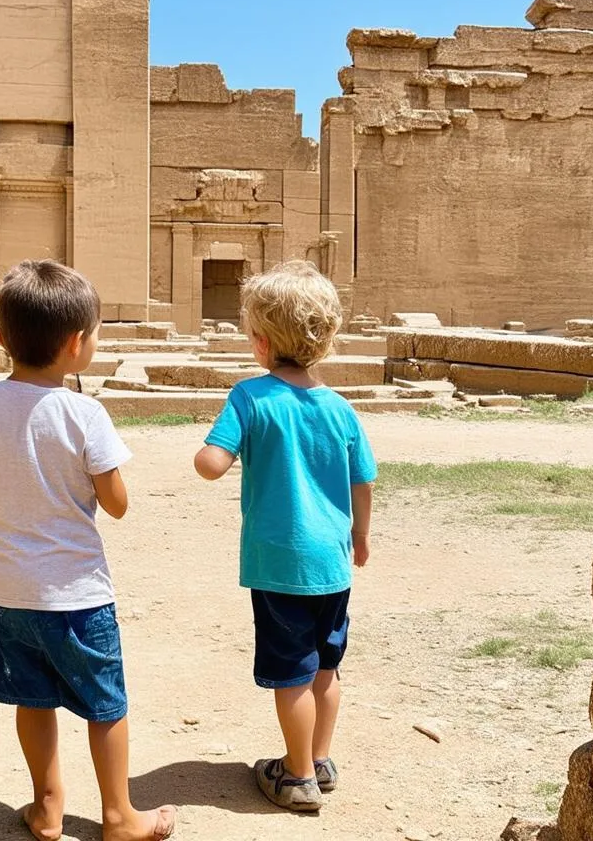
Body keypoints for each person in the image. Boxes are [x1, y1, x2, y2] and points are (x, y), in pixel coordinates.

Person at [0, 259, 176, 841]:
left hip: (8, 595)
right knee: (106, 704)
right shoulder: (85, 413)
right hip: (77, 595)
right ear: (78, 344)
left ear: (1, 338)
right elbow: (117, 502)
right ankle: (120, 815)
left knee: (34, 699)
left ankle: (46, 806)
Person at [193, 260, 376, 813]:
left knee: (290, 671)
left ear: (262, 341)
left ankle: (295, 777)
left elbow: (212, 462)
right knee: (326, 664)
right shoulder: (341, 408)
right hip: (332, 561)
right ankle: (318, 760)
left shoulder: (250, 398)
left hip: (280, 563)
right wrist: (361, 536)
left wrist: (209, 454)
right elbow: (362, 479)